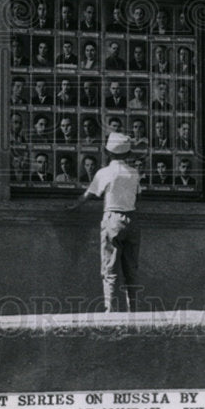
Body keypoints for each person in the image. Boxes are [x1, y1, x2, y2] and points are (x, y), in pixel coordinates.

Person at [69, 133, 141, 312]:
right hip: (132, 218)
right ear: (128, 153)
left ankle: (111, 309)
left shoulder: (104, 173)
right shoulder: (134, 173)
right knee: (130, 268)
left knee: (110, 266)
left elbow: (88, 195)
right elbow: (138, 195)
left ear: (108, 152)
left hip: (113, 219)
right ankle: (134, 308)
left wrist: (74, 205)